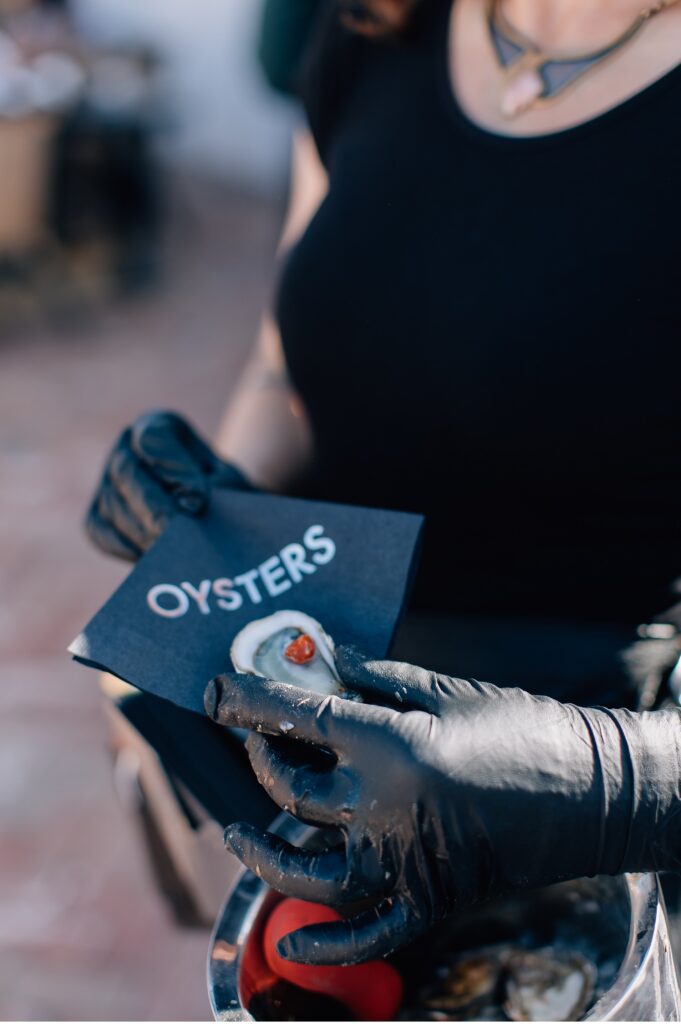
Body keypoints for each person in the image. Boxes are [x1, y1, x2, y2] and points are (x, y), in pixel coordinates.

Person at [85, 0, 681, 964]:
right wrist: (204, 526)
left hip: (580, 826)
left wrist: (610, 783)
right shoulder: (375, 26)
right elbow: (288, 365)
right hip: (320, 744)